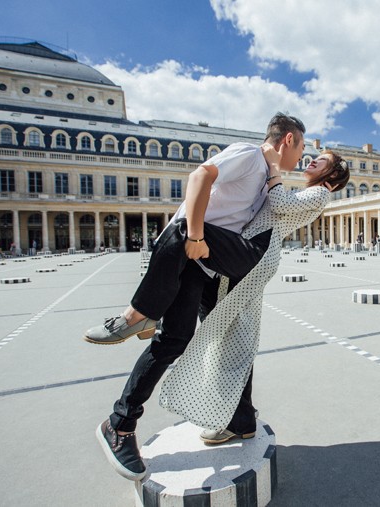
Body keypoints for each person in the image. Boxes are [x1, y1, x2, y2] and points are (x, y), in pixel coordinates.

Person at [84, 113, 307, 481]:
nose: (300, 158)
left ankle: (126, 423)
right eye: (301, 148)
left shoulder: (266, 176)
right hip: (187, 252)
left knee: (201, 342)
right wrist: (196, 237)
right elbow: (200, 176)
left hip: (205, 269)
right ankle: (135, 324)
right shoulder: (249, 155)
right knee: (175, 339)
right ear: (288, 141)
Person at [160, 148, 350, 447]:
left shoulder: (321, 194)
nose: (312, 160)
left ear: (334, 174)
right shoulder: (310, 193)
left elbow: (279, 202)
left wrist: (274, 169)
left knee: (233, 336)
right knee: (234, 335)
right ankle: (240, 418)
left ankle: (237, 419)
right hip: (249, 253)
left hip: (256, 257)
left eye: (322, 160)